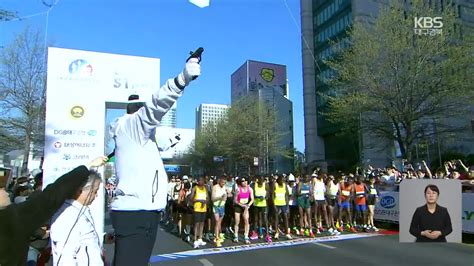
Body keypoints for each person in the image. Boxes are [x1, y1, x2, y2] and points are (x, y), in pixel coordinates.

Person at [109, 55, 200, 265]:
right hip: (137, 213)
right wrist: (182, 80)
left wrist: (174, 140)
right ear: (139, 110)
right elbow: (156, 106)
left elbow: (158, 146)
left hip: (141, 212)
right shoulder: (133, 126)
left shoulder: (136, 138)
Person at [0, 156, 108, 266]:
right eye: (1, 189)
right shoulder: (11, 218)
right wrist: (87, 166)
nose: (7, 192)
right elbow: (52, 195)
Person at [50, 170, 103, 265]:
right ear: (81, 190)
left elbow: (84, 240)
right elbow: (65, 255)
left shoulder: (79, 210)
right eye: (95, 191)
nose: (96, 195)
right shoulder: (68, 215)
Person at [189, 177, 209, 249]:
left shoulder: (205, 188)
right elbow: (191, 199)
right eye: (200, 181)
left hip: (203, 209)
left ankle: (200, 238)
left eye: (202, 181)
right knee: (196, 224)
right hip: (197, 208)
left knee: (202, 223)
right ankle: (195, 239)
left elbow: (207, 198)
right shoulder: (195, 188)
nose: (201, 182)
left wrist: (205, 201)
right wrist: (198, 200)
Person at [251, 175, 271, 243]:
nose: (261, 181)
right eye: (260, 180)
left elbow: (268, 194)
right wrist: (257, 197)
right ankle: (257, 233)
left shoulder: (266, 185)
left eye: (262, 180)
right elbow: (252, 195)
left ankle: (267, 235)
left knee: (265, 219)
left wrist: (265, 198)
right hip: (256, 204)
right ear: (258, 180)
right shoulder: (254, 185)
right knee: (256, 219)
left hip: (264, 204)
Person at [233, 177, 254, 244]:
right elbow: (235, 200)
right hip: (238, 206)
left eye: (245, 181)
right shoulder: (238, 190)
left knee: (246, 220)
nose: (244, 182)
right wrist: (241, 205)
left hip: (246, 206)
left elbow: (252, 199)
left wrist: (248, 205)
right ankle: (236, 235)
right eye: (242, 181)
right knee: (237, 221)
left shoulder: (250, 189)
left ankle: (246, 236)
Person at [273, 175, 292, 240]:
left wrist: (287, 204)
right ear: (278, 180)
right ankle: (276, 233)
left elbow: (287, 195)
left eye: (284, 180)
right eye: (282, 180)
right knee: (276, 218)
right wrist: (274, 205)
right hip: (277, 204)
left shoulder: (285, 185)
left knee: (285, 218)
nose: (283, 181)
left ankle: (287, 233)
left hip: (283, 204)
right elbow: (272, 195)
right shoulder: (275, 185)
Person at [211, 176, 227, 247]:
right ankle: (216, 238)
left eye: (224, 183)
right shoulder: (215, 187)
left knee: (219, 222)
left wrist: (228, 195)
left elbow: (227, 195)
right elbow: (212, 198)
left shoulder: (224, 187)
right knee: (217, 222)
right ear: (219, 181)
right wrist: (220, 197)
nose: (223, 184)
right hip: (216, 206)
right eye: (222, 182)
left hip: (222, 206)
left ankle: (219, 235)